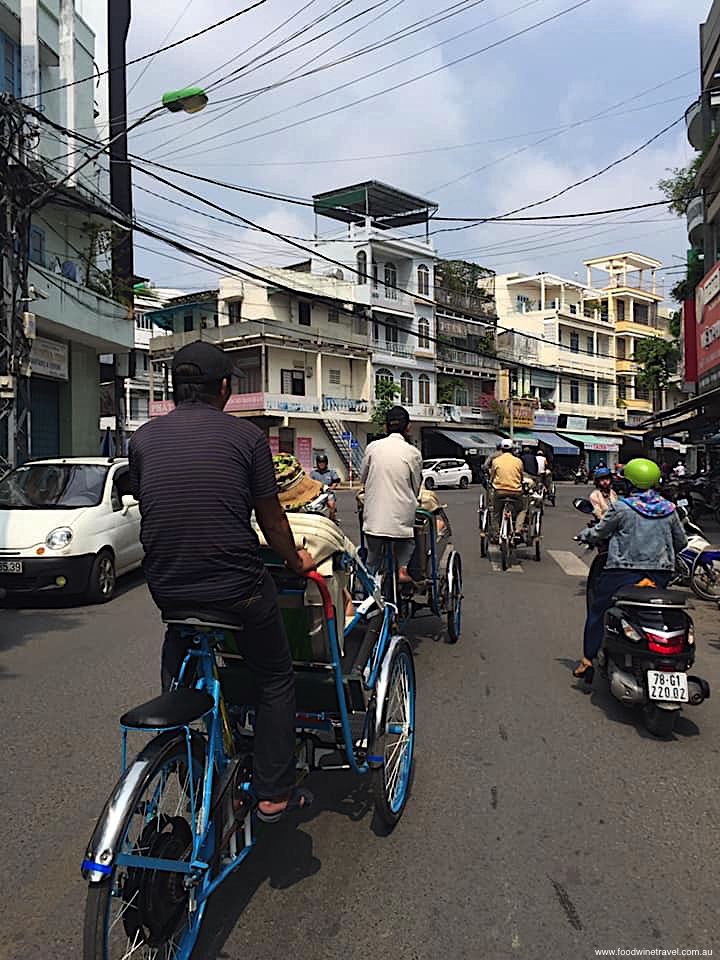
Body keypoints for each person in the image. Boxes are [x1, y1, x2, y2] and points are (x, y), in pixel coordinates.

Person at [129, 340, 316, 823]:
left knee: (179, 647)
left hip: (168, 589)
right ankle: (274, 792)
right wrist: (296, 561)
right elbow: (273, 521)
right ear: (226, 389)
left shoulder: (144, 440)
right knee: (275, 677)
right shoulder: (248, 439)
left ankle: (200, 776)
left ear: (173, 389)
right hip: (240, 591)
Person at [573, 458, 688, 680]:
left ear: (630, 483)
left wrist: (584, 536)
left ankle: (588, 659)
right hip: (660, 574)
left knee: (598, 611)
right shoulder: (669, 508)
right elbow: (681, 542)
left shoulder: (622, 508)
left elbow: (599, 532)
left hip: (622, 572)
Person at [359, 405, 422, 583]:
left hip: (374, 521)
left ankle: (369, 581)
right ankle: (402, 569)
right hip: (401, 521)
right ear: (408, 427)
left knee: (372, 556)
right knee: (408, 543)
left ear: (386, 428)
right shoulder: (413, 453)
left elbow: (363, 478)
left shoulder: (372, 448)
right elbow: (416, 487)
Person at [490, 438, 525, 535]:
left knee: (496, 512)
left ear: (501, 449)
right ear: (513, 449)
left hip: (499, 491)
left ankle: (497, 532)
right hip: (515, 492)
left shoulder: (496, 461)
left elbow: (492, 476)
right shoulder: (518, 461)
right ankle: (518, 529)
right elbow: (521, 476)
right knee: (521, 510)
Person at [310, 454, 340, 521]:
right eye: (320, 462)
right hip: (317, 493)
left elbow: (335, 482)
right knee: (308, 506)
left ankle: (332, 520)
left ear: (326, 463)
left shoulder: (331, 472)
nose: (321, 464)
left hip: (328, 493)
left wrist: (331, 488)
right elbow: (310, 483)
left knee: (331, 504)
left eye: (323, 462)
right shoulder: (313, 473)